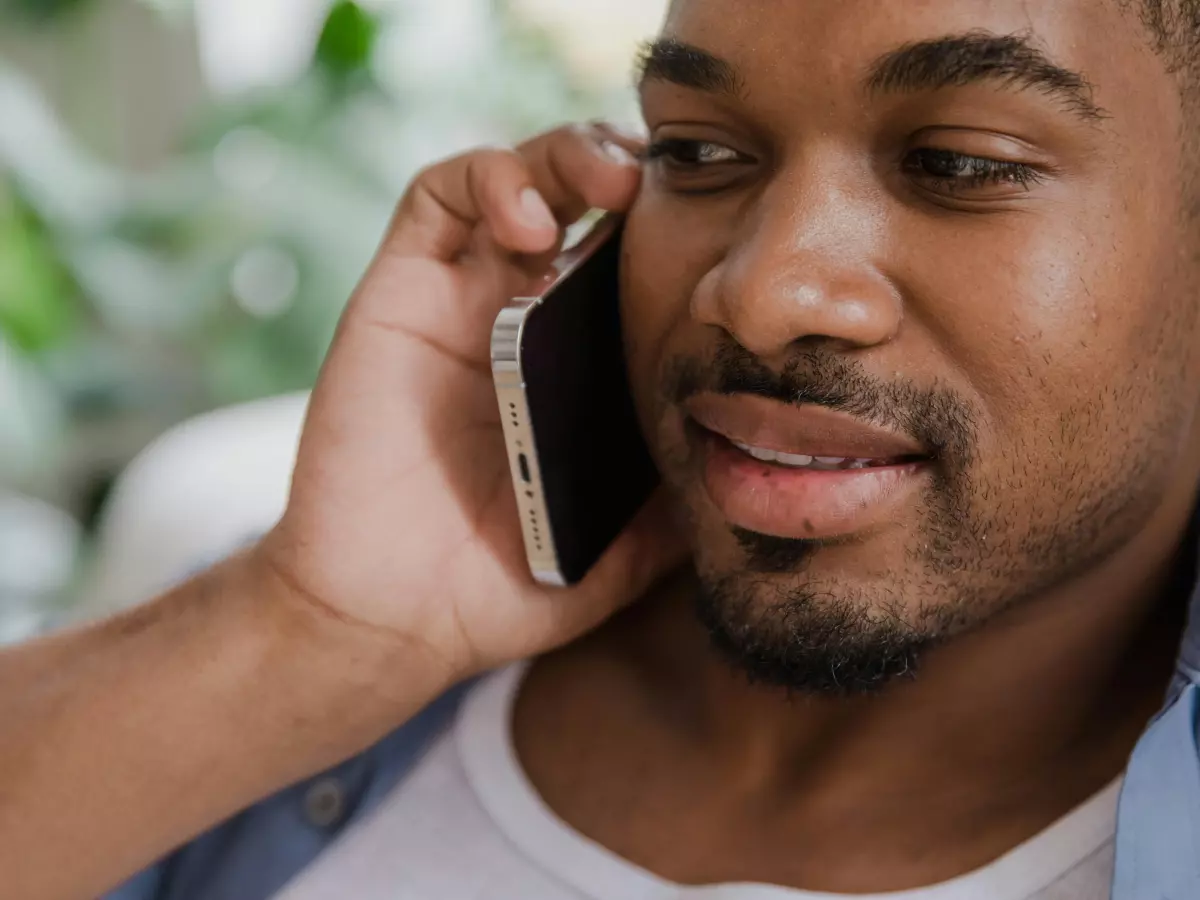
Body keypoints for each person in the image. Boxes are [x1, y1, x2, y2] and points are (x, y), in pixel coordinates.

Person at [4, 0, 1200, 897]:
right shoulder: (327, 654)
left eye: (960, 166)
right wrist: (302, 633)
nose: (762, 290)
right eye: (696, 150)